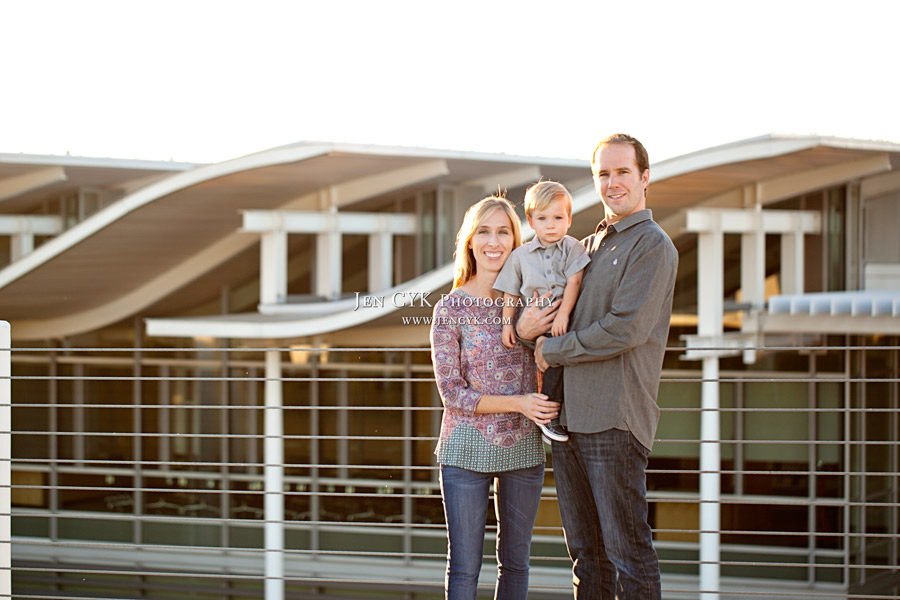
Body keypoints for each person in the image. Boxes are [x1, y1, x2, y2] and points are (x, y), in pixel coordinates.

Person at [516, 134, 678, 599]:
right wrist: (528, 331)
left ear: (644, 178)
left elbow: (623, 330)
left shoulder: (652, 246)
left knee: (629, 554)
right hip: (567, 422)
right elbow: (541, 313)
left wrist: (554, 350)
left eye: (622, 172)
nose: (612, 182)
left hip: (615, 420)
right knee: (587, 558)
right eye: (603, 174)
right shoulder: (582, 247)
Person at [430, 194, 561, 599]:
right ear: (470, 241)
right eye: (484, 231)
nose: (494, 241)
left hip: (523, 450)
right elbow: (452, 395)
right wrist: (520, 404)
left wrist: (534, 338)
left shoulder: (531, 303)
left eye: (503, 231)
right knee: (465, 569)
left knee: (516, 563)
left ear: (516, 240)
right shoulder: (450, 309)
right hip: (464, 450)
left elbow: (550, 361)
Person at [493, 181, 590, 443]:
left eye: (558, 217)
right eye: (543, 218)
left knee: (557, 362)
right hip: (536, 323)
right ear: (531, 220)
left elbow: (575, 282)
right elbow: (511, 292)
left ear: (569, 219)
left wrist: (563, 315)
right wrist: (507, 325)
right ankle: (549, 419)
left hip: (566, 321)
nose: (551, 225)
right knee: (548, 363)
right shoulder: (520, 256)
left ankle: (553, 418)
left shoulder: (574, 248)